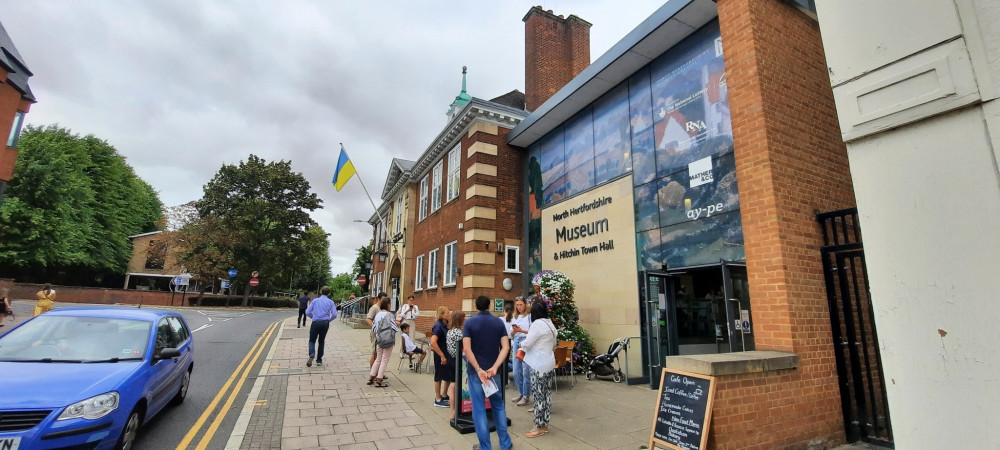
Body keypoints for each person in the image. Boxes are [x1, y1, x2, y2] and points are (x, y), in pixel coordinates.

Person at [462, 295, 513, 450]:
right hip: (493, 373)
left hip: (476, 374)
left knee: (478, 409)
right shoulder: (498, 322)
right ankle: (505, 443)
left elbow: (466, 349)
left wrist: (478, 369)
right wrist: (495, 367)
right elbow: (505, 347)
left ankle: (485, 447)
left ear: (476, 307)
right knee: (498, 405)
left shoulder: (469, 323)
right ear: (489, 306)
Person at [520, 299, 557, 437]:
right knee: (547, 395)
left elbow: (527, 343)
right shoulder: (550, 323)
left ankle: (538, 426)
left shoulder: (537, 325)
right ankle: (545, 424)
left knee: (538, 396)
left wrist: (520, 345)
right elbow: (554, 343)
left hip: (538, 365)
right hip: (549, 362)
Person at [507, 296, 532, 406]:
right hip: (517, 341)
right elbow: (510, 334)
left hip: (526, 341)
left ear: (525, 304)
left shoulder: (529, 316)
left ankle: (526, 395)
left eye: (521, 304)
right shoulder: (514, 317)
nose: (519, 307)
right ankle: (521, 393)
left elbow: (532, 332)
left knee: (525, 369)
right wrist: (514, 331)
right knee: (517, 370)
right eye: (517, 305)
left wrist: (521, 330)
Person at [305, 286, 338, 367]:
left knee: (312, 340)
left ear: (320, 292)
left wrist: (313, 317)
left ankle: (312, 353)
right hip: (325, 323)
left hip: (316, 322)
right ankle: (319, 360)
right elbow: (334, 314)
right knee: (321, 341)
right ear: (329, 293)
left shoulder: (315, 300)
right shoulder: (330, 302)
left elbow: (307, 312)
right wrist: (329, 320)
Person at [368, 297, 397, 387]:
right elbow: (394, 328)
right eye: (390, 304)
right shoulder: (389, 315)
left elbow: (374, 327)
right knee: (384, 360)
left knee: (378, 359)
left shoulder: (377, 314)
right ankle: (379, 379)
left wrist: (379, 334)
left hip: (379, 339)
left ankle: (371, 378)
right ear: (387, 305)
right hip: (388, 340)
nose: (390, 305)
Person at [430, 305, 453, 408]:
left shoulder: (446, 324)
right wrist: (442, 356)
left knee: (448, 375)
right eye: (447, 313)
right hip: (441, 355)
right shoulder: (438, 326)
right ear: (442, 315)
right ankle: (437, 398)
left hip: (448, 354)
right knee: (439, 376)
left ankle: (444, 394)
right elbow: (433, 342)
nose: (449, 314)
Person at [445, 310, 466, 421]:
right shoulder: (459, 333)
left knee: (453, 384)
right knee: (454, 386)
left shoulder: (450, 331)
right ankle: (453, 410)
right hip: (457, 360)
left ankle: (453, 409)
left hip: (451, 359)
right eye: (464, 318)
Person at [367, 292, 388, 369]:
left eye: (385, 299)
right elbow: (368, 319)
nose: (384, 301)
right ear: (378, 299)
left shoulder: (383, 308)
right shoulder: (375, 308)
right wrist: (376, 328)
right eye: (383, 299)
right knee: (375, 353)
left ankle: (378, 372)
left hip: (383, 334)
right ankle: (373, 372)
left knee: (380, 354)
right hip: (376, 334)